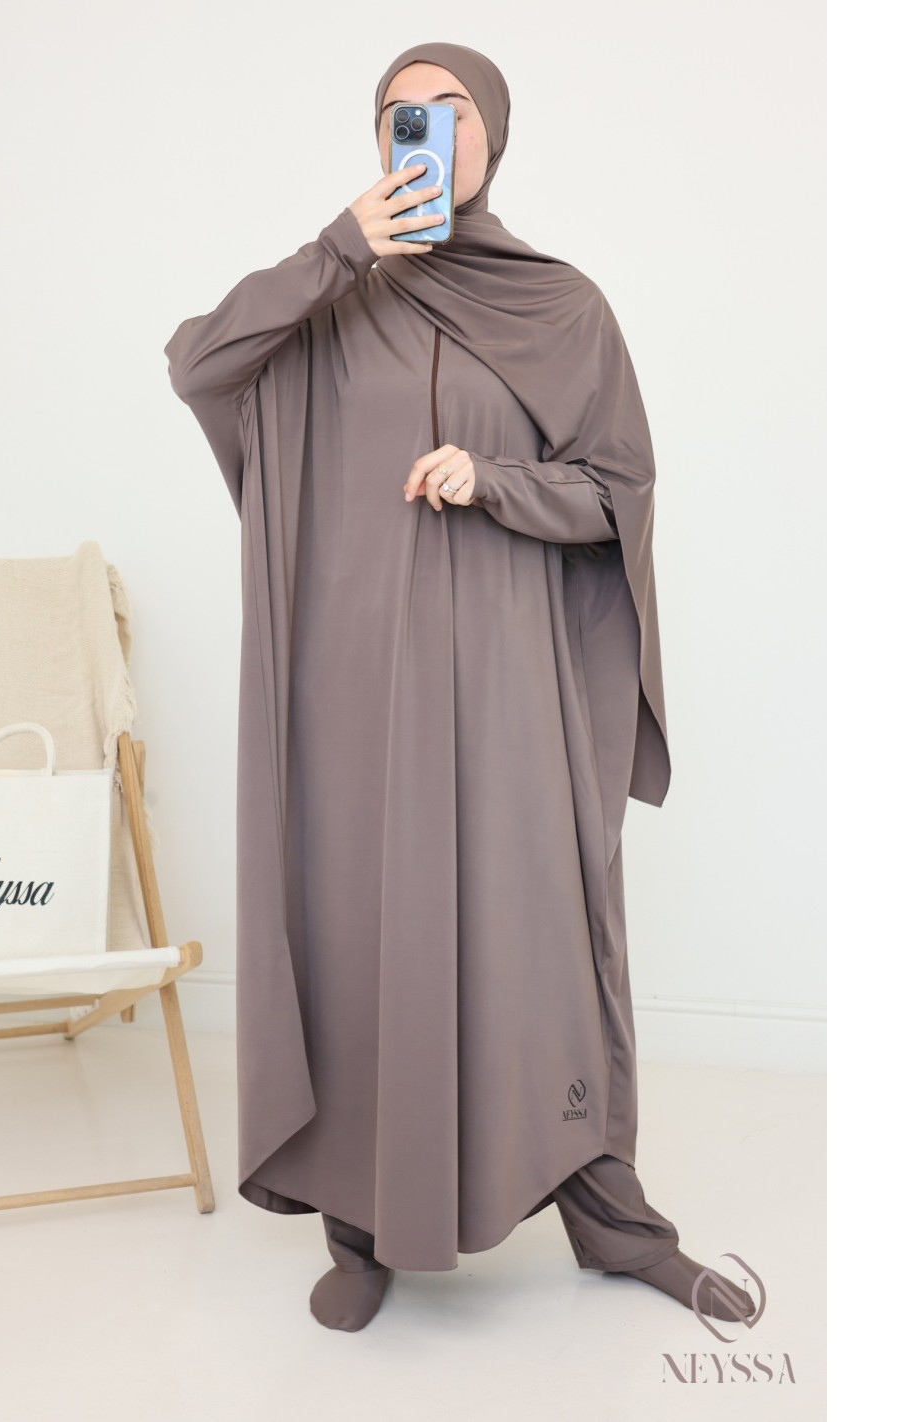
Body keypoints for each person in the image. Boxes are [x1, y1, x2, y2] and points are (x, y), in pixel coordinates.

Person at [165, 41, 754, 1334]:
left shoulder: (564, 307)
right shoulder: (332, 302)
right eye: (399, 116)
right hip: (357, 695)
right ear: (377, 145)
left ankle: (615, 1221)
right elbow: (201, 365)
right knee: (361, 931)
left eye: (451, 113)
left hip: (507, 694)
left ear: (494, 133)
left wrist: (496, 483)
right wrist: (338, 250)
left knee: (541, 939)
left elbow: (619, 493)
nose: (425, 132)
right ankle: (363, 1223)